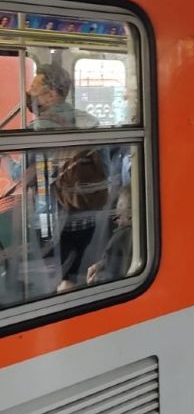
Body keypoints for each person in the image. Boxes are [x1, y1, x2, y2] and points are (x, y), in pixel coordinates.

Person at [23, 64, 104, 292]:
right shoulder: (90, 120)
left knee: (55, 275)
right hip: (88, 214)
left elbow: (26, 176)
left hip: (51, 219)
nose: (29, 93)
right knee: (73, 272)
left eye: (33, 88)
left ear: (51, 94)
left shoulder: (38, 126)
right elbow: (105, 167)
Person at [86, 186, 133, 284]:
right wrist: (103, 263)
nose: (116, 212)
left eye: (120, 206)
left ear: (131, 214)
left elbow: (109, 278)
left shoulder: (120, 238)